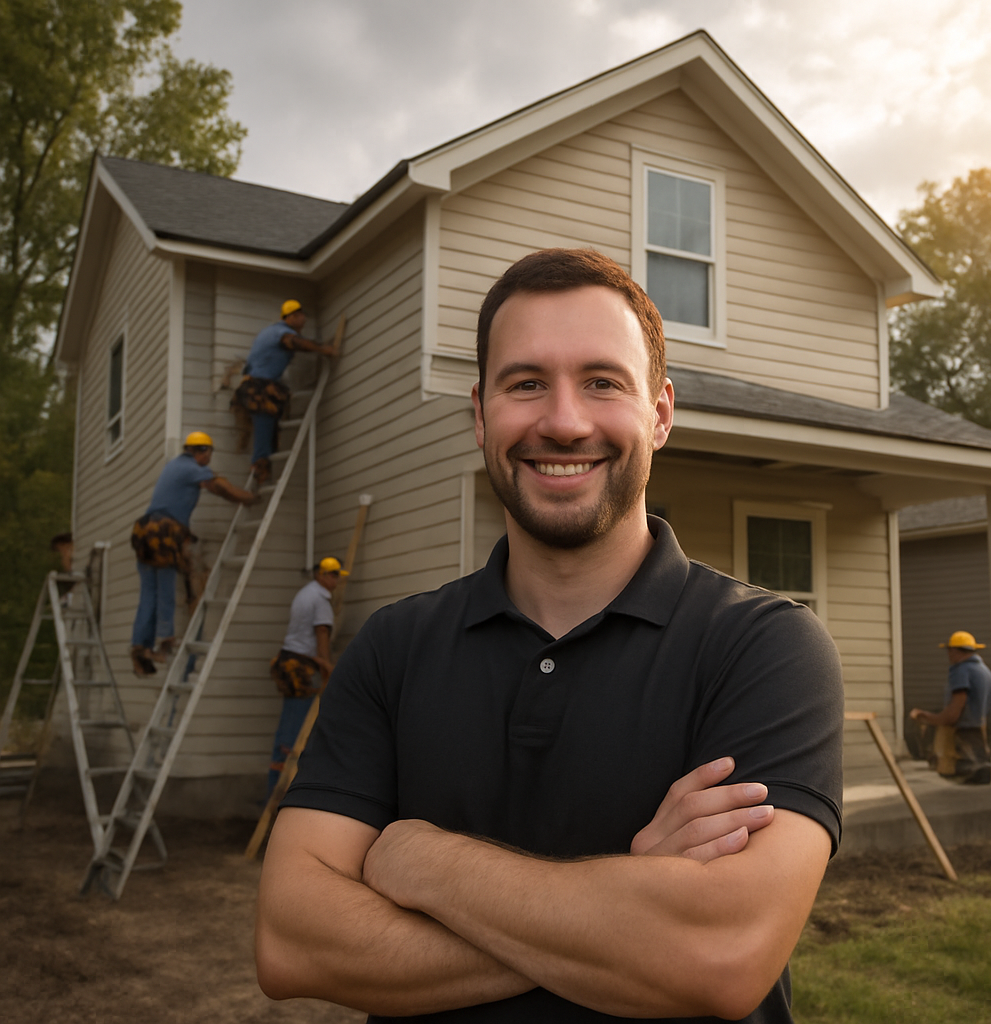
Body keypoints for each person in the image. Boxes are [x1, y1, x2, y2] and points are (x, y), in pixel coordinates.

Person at [255, 249, 845, 1023]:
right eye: (526, 383)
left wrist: (421, 862)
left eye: (603, 382)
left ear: (660, 413)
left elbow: (720, 957)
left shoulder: (765, 648)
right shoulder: (392, 651)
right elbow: (294, 942)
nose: (564, 423)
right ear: (479, 414)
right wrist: (627, 905)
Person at [130, 431, 257, 677]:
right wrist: (249, 498)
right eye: (210, 453)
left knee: (149, 594)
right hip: (164, 532)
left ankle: (140, 646)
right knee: (166, 590)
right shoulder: (191, 468)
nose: (210, 458)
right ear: (202, 451)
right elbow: (220, 488)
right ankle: (164, 642)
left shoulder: (174, 466)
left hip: (143, 532)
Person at [266, 556, 348, 798]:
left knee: (286, 727)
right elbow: (321, 631)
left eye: (336, 576)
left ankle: (273, 789)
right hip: (301, 667)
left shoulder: (305, 593)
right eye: (331, 575)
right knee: (294, 729)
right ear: (320, 575)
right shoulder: (320, 598)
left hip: (289, 662)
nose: (334, 580)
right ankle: (282, 792)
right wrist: (326, 664)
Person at [231, 300, 338, 485]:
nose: (304, 321)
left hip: (252, 387)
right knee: (264, 425)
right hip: (259, 389)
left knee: (268, 427)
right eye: (301, 317)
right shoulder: (280, 332)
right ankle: (259, 466)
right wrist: (323, 349)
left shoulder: (268, 332)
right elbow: (294, 342)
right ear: (291, 317)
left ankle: (262, 466)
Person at [910, 630, 991, 785]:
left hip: (961, 734)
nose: (948, 655)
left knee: (959, 776)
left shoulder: (961, 671)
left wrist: (927, 717)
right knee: (980, 774)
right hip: (979, 731)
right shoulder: (984, 671)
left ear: (954, 651)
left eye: (949, 651)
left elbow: (953, 713)